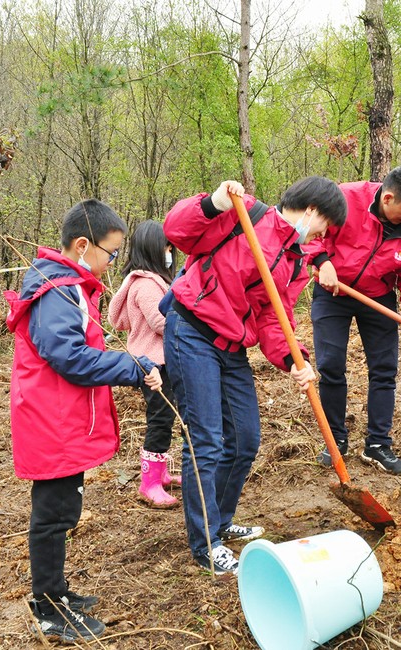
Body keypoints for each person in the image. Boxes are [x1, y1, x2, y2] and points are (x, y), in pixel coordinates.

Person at [162, 177, 346, 575]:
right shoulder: (243, 213)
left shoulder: (296, 260)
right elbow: (176, 230)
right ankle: (205, 542)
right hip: (192, 331)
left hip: (232, 347)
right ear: (313, 211)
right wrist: (212, 203)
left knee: (245, 439)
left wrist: (296, 361)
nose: (322, 236)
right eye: (325, 227)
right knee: (207, 440)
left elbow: (272, 318)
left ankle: (222, 520)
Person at [6, 200, 163, 642]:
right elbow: (68, 357)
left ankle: (56, 592)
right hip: (51, 418)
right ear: (82, 245)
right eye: (110, 254)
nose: (111, 265)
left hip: (62, 416)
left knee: (64, 507)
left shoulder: (68, 285)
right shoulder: (58, 290)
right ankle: (49, 607)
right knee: (54, 513)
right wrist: (131, 367)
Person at [306, 165, 401, 475]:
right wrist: (322, 262)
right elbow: (308, 230)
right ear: (388, 198)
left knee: (384, 370)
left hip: (378, 297)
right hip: (331, 291)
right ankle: (335, 440)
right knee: (331, 365)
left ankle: (377, 445)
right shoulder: (345, 198)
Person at [108, 220, 181, 509]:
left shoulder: (146, 281)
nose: (170, 253)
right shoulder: (147, 285)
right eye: (167, 247)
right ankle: (149, 483)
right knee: (160, 419)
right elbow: (160, 322)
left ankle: (160, 474)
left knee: (163, 417)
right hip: (155, 363)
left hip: (154, 359)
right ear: (154, 249)